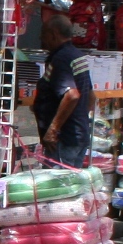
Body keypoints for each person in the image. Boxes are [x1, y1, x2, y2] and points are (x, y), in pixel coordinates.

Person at [35, 10, 95, 168]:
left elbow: (72, 95)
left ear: (54, 34)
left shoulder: (61, 59)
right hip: (78, 136)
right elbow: (91, 96)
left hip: (64, 140)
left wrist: (53, 130)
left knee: (58, 189)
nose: (41, 38)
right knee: (72, 187)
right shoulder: (77, 55)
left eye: (43, 34)